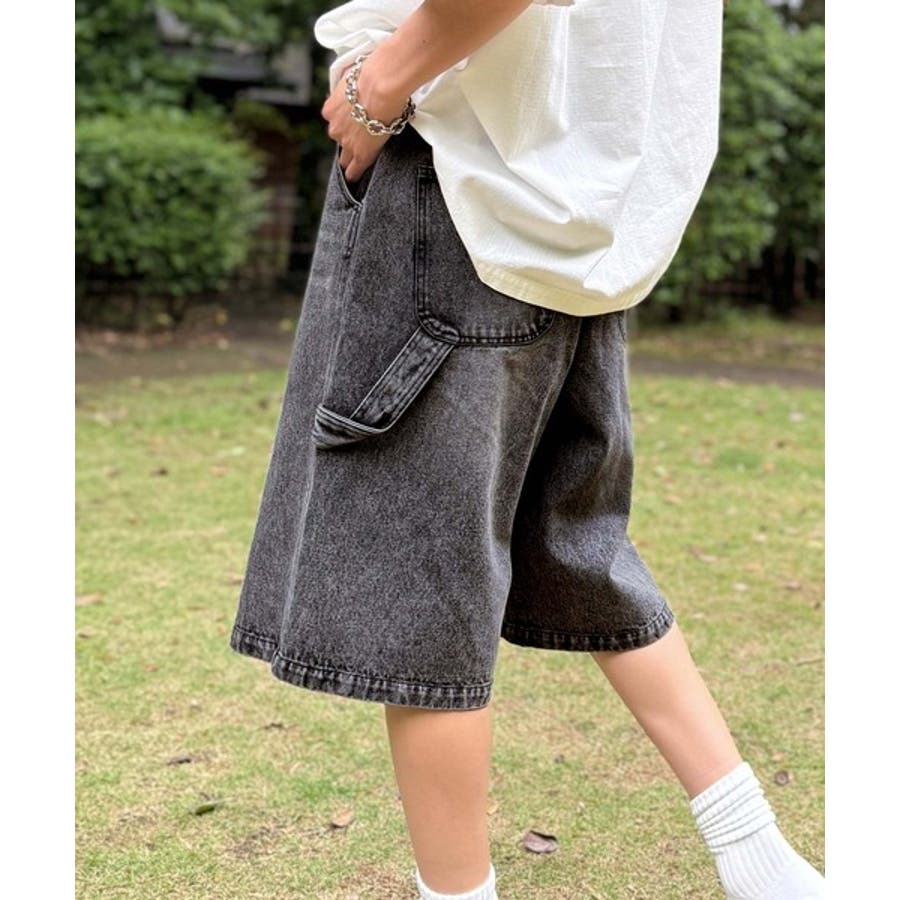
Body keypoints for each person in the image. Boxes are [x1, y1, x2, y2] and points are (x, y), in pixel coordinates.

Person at [229, 2, 825, 898]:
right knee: (580, 545)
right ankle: (759, 857)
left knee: (424, 600)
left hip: (461, 184)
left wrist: (382, 81)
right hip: (583, 215)